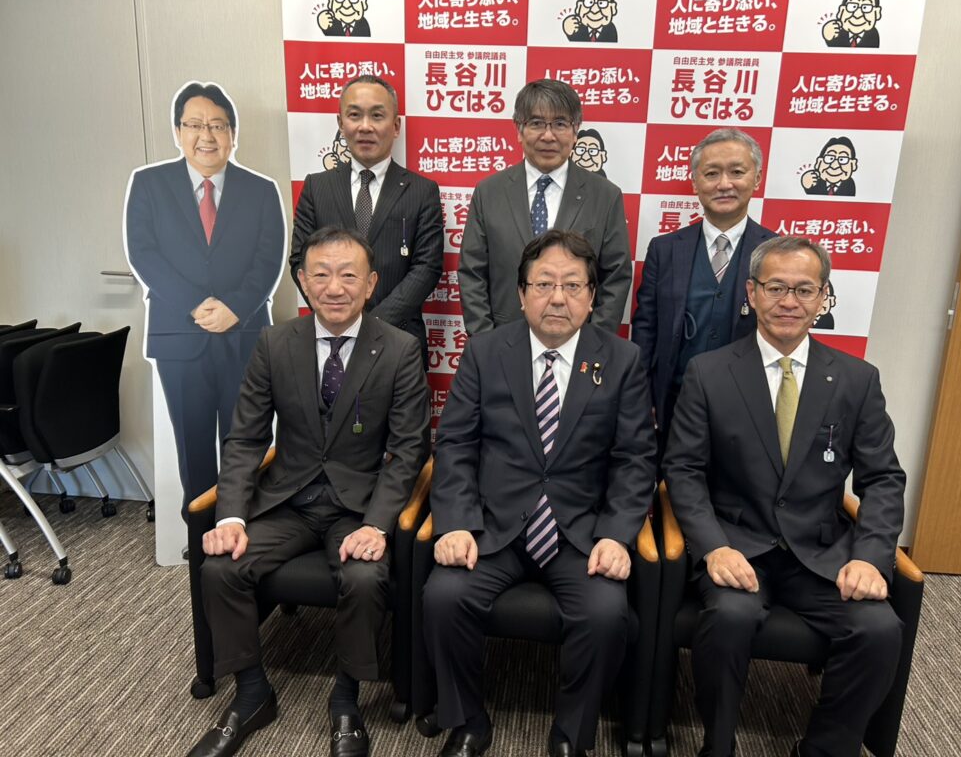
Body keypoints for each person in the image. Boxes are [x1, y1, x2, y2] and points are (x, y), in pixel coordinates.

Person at [188, 226, 431, 757]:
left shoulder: (399, 349)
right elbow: (246, 438)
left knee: (365, 576)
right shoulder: (275, 343)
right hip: (287, 501)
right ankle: (252, 692)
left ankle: (346, 698)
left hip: (357, 507)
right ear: (302, 281)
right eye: (320, 274)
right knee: (221, 566)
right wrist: (230, 516)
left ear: (371, 284)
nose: (334, 287)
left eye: (348, 275)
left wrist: (378, 525)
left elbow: (409, 450)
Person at [663, 236, 905, 757]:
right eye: (775, 288)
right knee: (729, 619)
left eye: (803, 289)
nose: (788, 302)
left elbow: (884, 478)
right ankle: (717, 746)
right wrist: (713, 547)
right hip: (738, 546)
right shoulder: (709, 372)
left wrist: (870, 557)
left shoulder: (857, 380)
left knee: (880, 629)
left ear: (823, 297)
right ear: (751, 293)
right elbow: (682, 470)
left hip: (821, 554)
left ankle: (823, 749)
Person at [424, 230, 657, 757]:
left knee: (606, 615)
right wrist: (456, 523)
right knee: (443, 597)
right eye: (544, 284)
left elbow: (635, 460)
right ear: (521, 293)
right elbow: (456, 444)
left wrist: (617, 535)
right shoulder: (485, 352)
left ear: (592, 297)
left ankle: (572, 732)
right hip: (494, 527)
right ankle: (468, 721)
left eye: (573, 285)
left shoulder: (621, 360)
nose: (557, 298)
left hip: (579, 534)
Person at [125, 81, 285, 518]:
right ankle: (199, 536)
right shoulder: (150, 185)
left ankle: (245, 526)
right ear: (178, 132)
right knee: (192, 445)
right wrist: (196, 305)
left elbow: (269, 258)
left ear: (233, 134)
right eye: (195, 124)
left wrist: (235, 308)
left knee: (247, 442)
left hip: (245, 336)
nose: (206, 135)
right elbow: (144, 253)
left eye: (217, 125)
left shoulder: (261, 190)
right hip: (180, 338)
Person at [631, 128, 776, 457]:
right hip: (672, 405)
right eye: (711, 173)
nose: (724, 184)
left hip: (747, 408)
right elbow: (646, 329)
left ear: (756, 178)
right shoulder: (665, 249)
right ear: (695, 182)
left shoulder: (776, 252)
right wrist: (641, 397)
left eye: (736, 172)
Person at [458, 79, 632, 337]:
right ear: (519, 129)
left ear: (575, 131)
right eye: (537, 123)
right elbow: (472, 273)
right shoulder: (489, 192)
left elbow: (616, 277)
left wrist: (590, 342)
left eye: (560, 124)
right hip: (502, 339)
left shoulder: (605, 196)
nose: (548, 136)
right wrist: (487, 343)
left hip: (577, 343)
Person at [290, 75, 443, 361]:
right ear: (340, 123)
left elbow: (427, 267)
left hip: (399, 341)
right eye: (354, 115)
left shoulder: (422, 191)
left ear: (395, 126)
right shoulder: (316, 187)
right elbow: (300, 259)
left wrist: (371, 326)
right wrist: (338, 315)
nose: (365, 126)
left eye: (377, 115)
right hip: (330, 338)